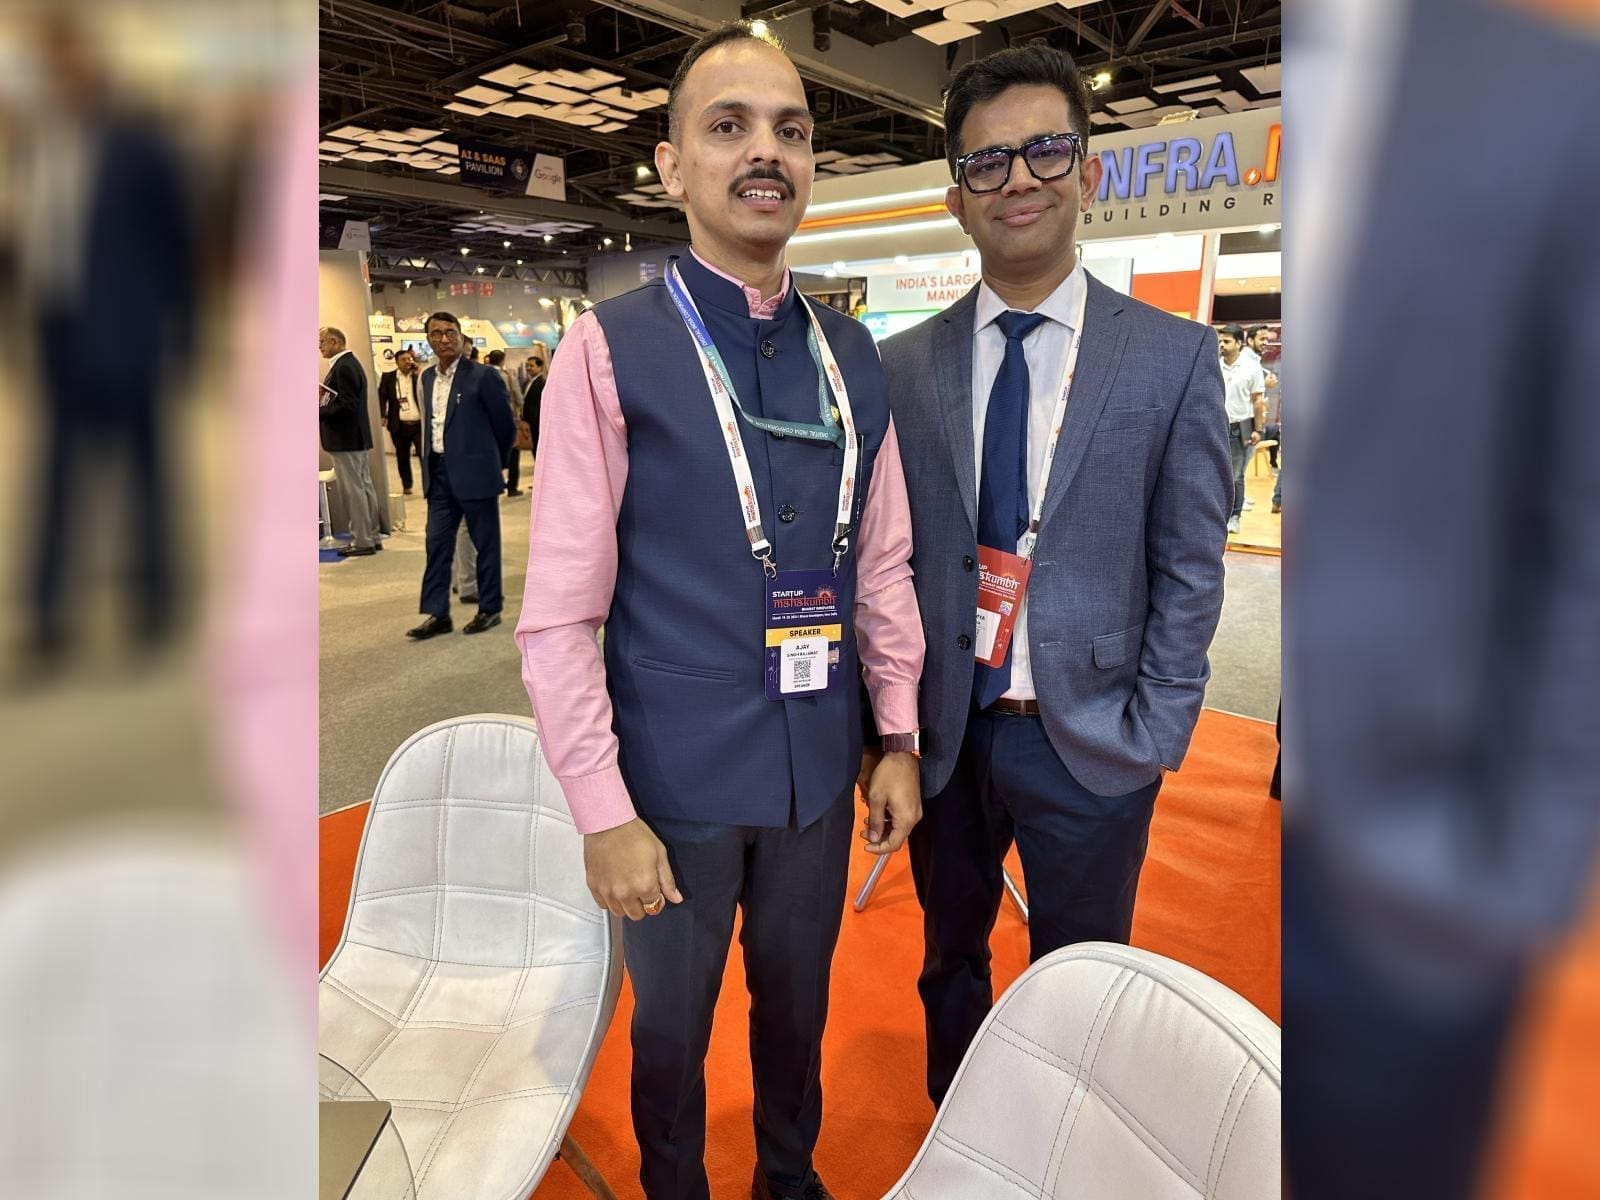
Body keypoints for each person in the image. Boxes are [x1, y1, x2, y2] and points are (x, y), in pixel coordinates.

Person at [516, 23, 924, 1200]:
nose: (764, 153)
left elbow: (881, 566)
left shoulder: (852, 354)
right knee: (671, 1036)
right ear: (671, 166)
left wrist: (896, 733)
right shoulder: (607, 351)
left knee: (798, 1016)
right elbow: (557, 616)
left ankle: (789, 1180)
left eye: (790, 130)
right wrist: (601, 810)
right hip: (672, 786)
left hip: (816, 775)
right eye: (728, 126)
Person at [875, 42, 1231, 1109]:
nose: (1017, 179)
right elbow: (884, 562)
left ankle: (1063, 1137)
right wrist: (889, 732)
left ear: (1087, 172)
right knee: (949, 954)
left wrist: (1156, 728)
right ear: (956, 195)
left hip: (1093, 735)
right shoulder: (903, 366)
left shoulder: (1170, 357)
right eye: (987, 162)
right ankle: (963, 1123)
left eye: (1045, 151)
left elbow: (1190, 563)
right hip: (948, 734)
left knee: (1083, 975)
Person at [21, 10, 196, 656]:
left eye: (69, 60)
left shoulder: (139, 146)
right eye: (51, 63)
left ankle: (154, 601)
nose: (60, 74)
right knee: (58, 475)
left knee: (145, 472)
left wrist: (180, 333)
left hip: (130, 334)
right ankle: (50, 613)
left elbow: (177, 243)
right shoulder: (38, 145)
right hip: (58, 333)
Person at [407, 311, 515, 639]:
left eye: (450, 332)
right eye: (436, 333)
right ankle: (438, 613)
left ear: (460, 336)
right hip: (438, 474)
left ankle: (490, 608)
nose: (444, 339)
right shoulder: (427, 378)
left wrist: (492, 462)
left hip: (475, 474)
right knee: (436, 544)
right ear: (428, 340)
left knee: (485, 544)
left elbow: (505, 426)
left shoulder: (483, 376)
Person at [319, 327, 383, 558]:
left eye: (322, 342)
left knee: (353, 491)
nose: (320, 347)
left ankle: (362, 540)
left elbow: (347, 406)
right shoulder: (348, 364)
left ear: (334, 341)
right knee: (363, 487)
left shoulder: (344, 366)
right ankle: (371, 536)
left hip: (345, 439)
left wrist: (319, 410)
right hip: (353, 438)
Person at [1216, 323, 1265, 534]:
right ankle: (1217, 515)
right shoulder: (1214, 365)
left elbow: (1258, 401)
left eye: (1226, 341)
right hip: (1216, 427)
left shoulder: (1251, 368)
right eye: (1220, 341)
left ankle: (1235, 516)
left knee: (1235, 476)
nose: (1222, 345)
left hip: (1238, 429)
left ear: (1238, 343)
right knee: (1214, 474)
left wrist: (1258, 429)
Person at [378, 347, 423, 495]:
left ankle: (430, 484)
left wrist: (419, 373)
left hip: (419, 424)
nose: (408, 362)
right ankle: (407, 484)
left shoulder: (418, 376)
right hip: (399, 425)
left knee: (425, 456)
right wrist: (382, 415)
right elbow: (382, 396)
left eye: (409, 359)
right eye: (403, 359)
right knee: (402, 456)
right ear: (396, 362)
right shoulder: (388, 377)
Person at [486, 349, 524, 495]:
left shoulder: (481, 377)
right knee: (514, 454)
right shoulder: (509, 377)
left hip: (488, 423)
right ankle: (512, 487)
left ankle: (495, 483)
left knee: (491, 452)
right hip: (509, 420)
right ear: (503, 360)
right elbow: (519, 400)